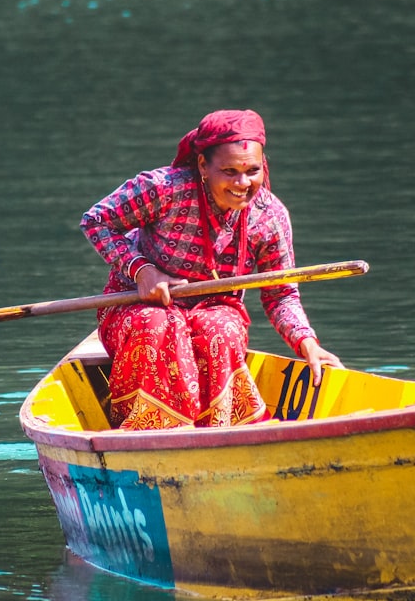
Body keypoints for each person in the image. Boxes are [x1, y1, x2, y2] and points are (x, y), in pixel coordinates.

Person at [80, 109, 342, 430]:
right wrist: (141, 270)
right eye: (229, 171)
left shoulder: (269, 215)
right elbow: (96, 220)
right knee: (160, 324)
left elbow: (281, 294)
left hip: (217, 310)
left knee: (221, 329)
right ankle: (150, 430)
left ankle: (216, 433)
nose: (242, 183)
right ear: (203, 166)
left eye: (252, 171)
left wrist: (308, 344)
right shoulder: (164, 189)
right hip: (139, 307)